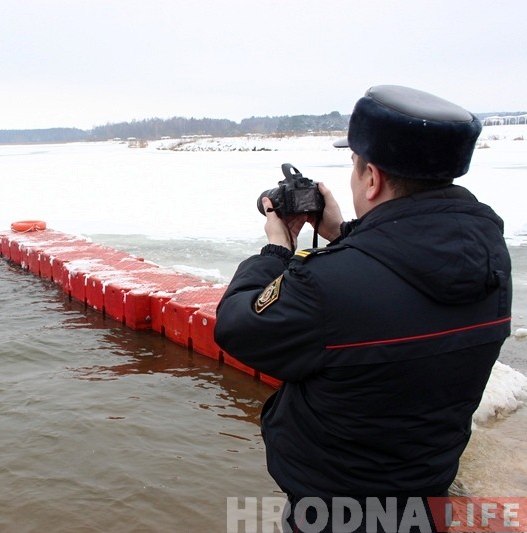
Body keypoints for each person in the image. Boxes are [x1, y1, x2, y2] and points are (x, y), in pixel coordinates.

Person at [214, 85, 512, 531]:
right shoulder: (490, 259)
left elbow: (238, 327)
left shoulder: (325, 285)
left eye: (355, 165)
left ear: (371, 178)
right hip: (426, 498)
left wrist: (276, 250)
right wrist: (348, 234)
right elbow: (402, 283)